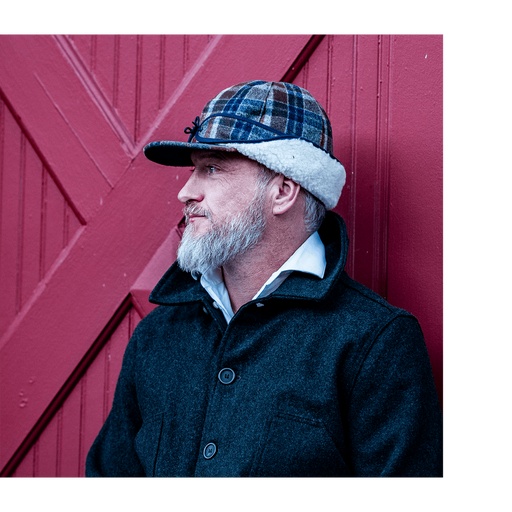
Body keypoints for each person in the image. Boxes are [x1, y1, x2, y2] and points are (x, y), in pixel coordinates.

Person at [86, 80, 444, 480]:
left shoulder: (375, 341)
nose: (185, 192)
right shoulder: (158, 335)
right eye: (193, 170)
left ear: (283, 191)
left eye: (212, 169)